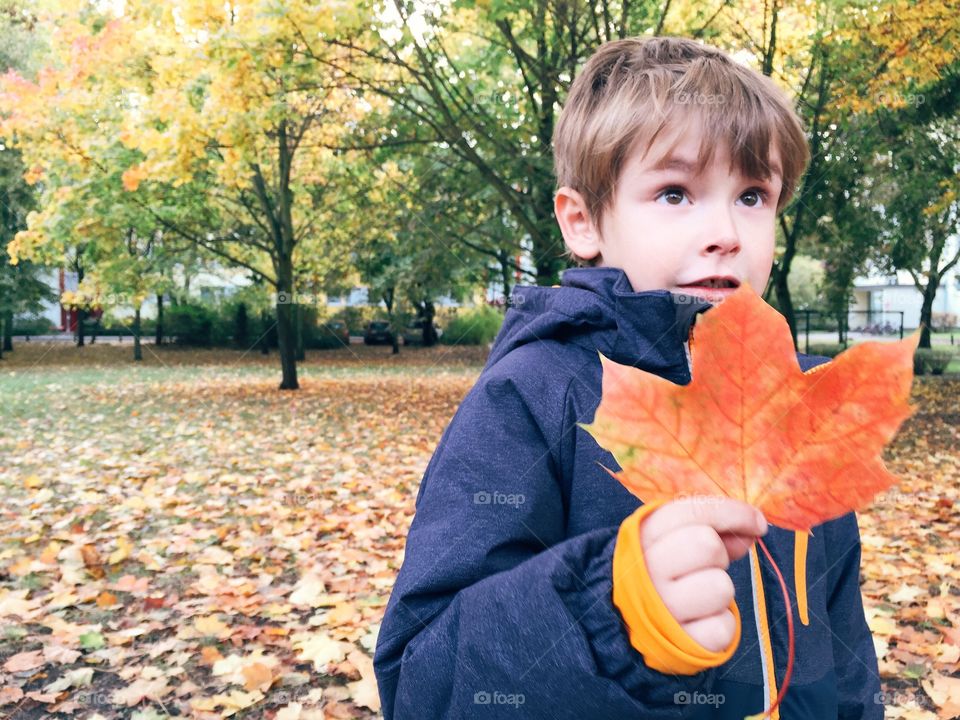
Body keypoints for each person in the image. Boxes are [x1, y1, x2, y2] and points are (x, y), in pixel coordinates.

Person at [374, 36, 881, 719]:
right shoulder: (532, 397)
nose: (726, 230)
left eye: (754, 195)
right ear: (582, 221)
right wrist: (614, 611)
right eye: (675, 193)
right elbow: (421, 682)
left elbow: (844, 651)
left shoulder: (803, 410)